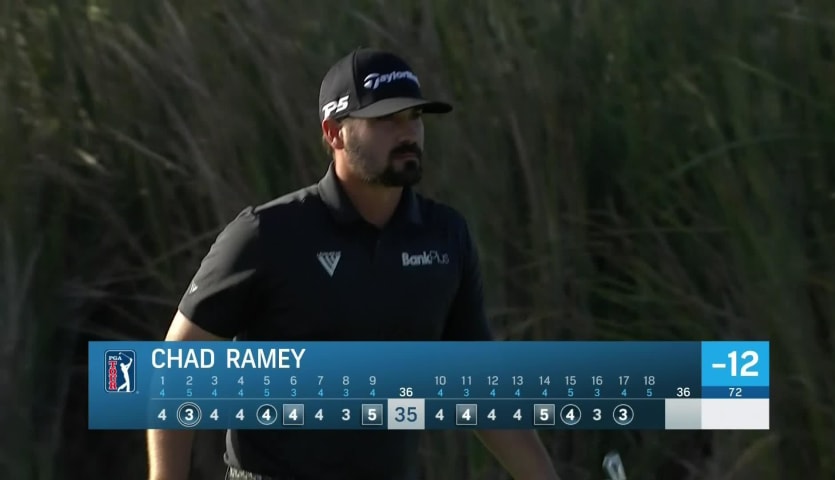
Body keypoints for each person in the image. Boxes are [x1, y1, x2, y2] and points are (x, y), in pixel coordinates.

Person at [146, 47, 561, 480]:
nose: (408, 133)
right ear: (334, 133)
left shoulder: (446, 236)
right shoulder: (265, 235)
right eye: (386, 120)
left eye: (414, 116)